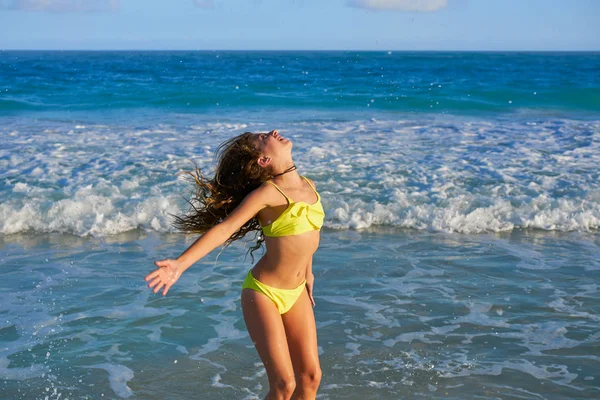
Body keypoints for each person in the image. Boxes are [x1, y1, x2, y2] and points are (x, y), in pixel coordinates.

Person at [144, 129, 325, 400]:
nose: (273, 132)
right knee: (284, 385)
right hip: (265, 294)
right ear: (263, 161)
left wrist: (308, 272)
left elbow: (305, 236)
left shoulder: (308, 185)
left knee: (311, 378)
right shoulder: (268, 193)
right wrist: (180, 264)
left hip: (297, 290)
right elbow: (224, 229)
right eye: (264, 138)